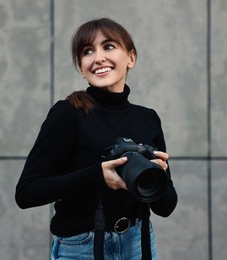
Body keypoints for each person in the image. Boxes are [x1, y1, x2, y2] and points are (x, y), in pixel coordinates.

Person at [15, 18, 177, 260]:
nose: (98, 57)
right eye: (87, 51)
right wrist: (98, 175)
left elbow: (166, 207)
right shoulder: (69, 113)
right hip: (81, 248)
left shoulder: (147, 118)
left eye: (108, 46)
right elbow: (27, 193)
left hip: (138, 244)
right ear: (82, 67)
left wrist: (160, 178)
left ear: (131, 57)